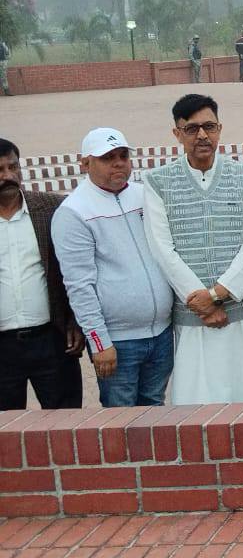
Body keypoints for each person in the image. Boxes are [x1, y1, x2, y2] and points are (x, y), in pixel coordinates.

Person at [142, 94, 243, 404]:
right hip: (194, 318)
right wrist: (202, 302)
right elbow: (161, 248)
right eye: (191, 129)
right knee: (197, 409)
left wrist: (218, 294)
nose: (202, 135)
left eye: (209, 126)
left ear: (220, 129)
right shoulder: (157, 182)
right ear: (177, 134)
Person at [52, 128, 173, 407]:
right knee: (120, 419)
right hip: (117, 341)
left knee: (155, 410)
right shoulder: (74, 212)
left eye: (123, 156)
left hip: (162, 334)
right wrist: (99, 341)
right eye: (107, 158)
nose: (118, 163)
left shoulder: (146, 196)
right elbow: (79, 285)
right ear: (86, 163)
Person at [0, 138, 83, 410]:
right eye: (0, 170)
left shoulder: (52, 209)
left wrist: (76, 321)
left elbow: (77, 268)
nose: (8, 176)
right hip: (2, 349)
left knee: (65, 423)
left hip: (53, 341)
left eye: (13, 167)